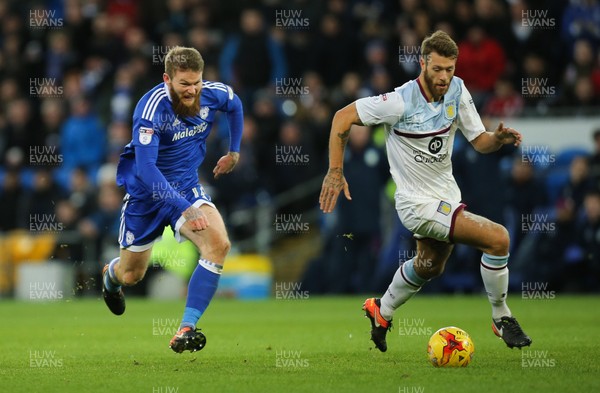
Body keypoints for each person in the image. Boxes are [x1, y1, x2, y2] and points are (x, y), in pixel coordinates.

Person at [319, 30, 531, 352]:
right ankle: (501, 316)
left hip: (447, 196)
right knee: (498, 238)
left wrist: (496, 139)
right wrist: (336, 172)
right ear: (422, 63)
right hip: (415, 204)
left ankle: (382, 309)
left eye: (450, 69)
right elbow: (341, 118)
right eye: (437, 69)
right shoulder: (399, 101)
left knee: (430, 265)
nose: (444, 77)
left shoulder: (457, 90)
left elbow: (479, 140)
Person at [101, 46, 243, 354]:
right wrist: (184, 208)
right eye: (184, 84)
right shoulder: (150, 108)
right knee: (132, 275)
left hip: (187, 187)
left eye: (197, 82)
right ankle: (110, 276)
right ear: (167, 79)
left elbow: (235, 104)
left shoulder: (210, 93)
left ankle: (186, 328)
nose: (192, 90)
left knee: (218, 245)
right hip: (147, 195)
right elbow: (147, 169)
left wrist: (234, 151)